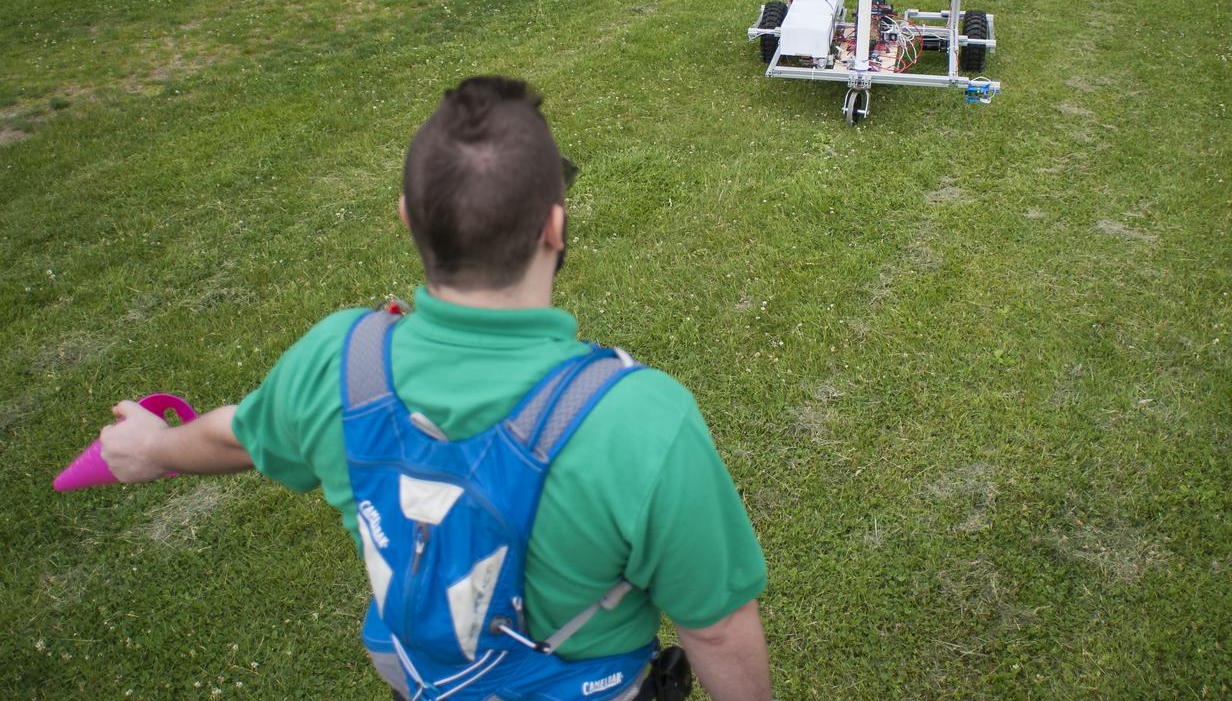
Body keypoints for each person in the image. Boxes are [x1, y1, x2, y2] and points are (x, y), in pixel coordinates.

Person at [101, 76, 773, 701]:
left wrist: (154, 448)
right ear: (554, 228)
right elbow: (714, 629)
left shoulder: (339, 359)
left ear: (405, 217)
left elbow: (233, 435)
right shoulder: (640, 419)